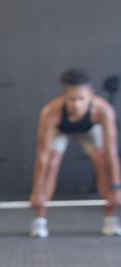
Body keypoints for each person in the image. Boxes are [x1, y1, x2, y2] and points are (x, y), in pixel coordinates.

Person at [29, 68, 121, 238]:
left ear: (91, 95)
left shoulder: (103, 110)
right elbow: (42, 156)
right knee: (52, 162)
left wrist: (117, 188)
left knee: (102, 161)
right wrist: (36, 191)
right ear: (64, 97)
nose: (77, 105)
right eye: (72, 100)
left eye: (81, 99)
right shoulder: (51, 112)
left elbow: (111, 151)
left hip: (90, 130)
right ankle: (40, 220)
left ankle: (110, 219)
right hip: (61, 130)